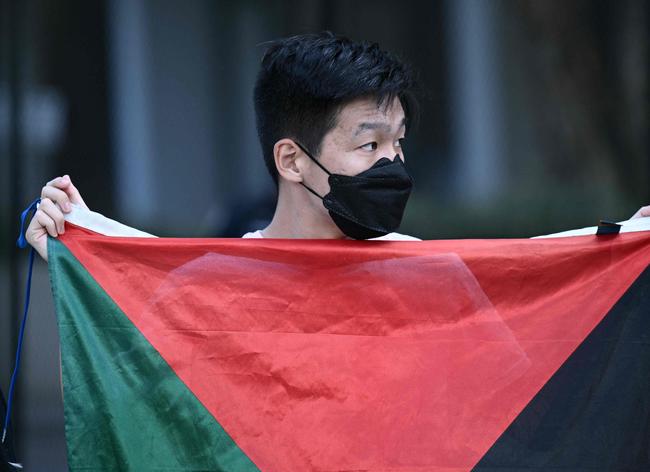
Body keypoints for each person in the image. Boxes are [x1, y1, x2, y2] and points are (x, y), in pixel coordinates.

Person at [25, 31, 649, 259]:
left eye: (398, 143)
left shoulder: (430, 275)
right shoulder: (217, 288)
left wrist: (625, 249)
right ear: (292, 159)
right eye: (369, 144)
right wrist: (79, 250)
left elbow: (535, 310)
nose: (393, 165)